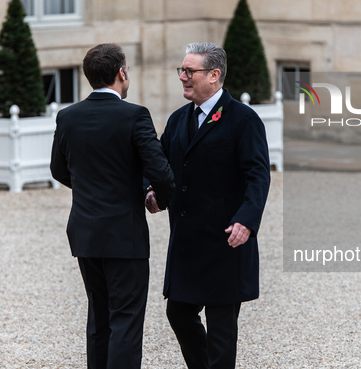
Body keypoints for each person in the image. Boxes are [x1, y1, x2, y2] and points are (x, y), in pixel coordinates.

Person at [145, 42, 270, 368]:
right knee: (178, 313)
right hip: (187, 242)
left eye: (190, 71)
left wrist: (247, 219)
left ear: (214, 75)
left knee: (221, 331)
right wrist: (151, 190)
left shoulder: (243, 120)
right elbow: (160, 165)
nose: (183, 77)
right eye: (181, 71)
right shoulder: (177, 120)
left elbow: (258, 175)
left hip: (226, 241)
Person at [50, 43, 175, 368]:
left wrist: (91, 190)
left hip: (85, 233)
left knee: (99, 317)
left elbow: (58, 170)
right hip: (124, 234)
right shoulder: (134, 115)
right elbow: (161, 173)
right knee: (126, 321)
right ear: (121, 73)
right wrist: (155, 198)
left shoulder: (67, 117)